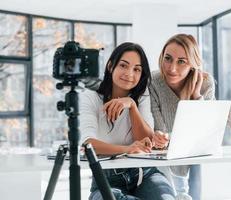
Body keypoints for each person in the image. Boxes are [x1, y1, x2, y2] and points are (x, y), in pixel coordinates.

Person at [79, 42, 175, 200]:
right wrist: (126, 149)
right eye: (123, 65)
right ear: (111, 66)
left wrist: (131, 106)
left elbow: (145, 140)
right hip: (106, 179)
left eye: (137, 69)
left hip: (145, 174)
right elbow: (88, 145)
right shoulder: (90, 98)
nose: (129, 74)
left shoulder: (142, 96)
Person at [149, 34, 216, 200]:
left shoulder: (206, 83)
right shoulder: (154, 81)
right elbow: (160, 131)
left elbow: (207, 132)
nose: (172, 68)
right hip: (162, 159)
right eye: (168, 59)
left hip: (195, 158)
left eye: (181, 61)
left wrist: (196, 96)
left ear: (192, 64)